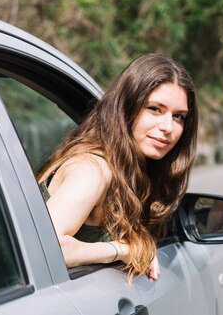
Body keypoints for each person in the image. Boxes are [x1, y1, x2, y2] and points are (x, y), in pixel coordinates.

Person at [37, 54, 198, 281]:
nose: (168, 126)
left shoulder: (127, 172)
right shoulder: (93, 170)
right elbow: (45, 247)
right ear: (126, 107)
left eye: (179, 116)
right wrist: (124, 250)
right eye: (154, 109)